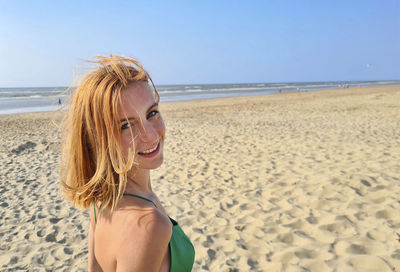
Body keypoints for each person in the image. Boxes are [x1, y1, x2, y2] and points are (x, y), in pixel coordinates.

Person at [60, 55, 195, 271]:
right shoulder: (149, 226)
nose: (151, 136)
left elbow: (94, 267)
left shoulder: (103, 199)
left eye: (152, 113)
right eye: (126, 126)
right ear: (97, 139)